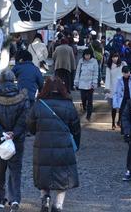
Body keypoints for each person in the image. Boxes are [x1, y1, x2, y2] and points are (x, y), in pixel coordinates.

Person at [27, 77, 81, 212]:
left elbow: (30, 126)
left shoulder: (39, 104)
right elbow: (76, 128)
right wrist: (76, 145)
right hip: (63, 146)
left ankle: (45, 198)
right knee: (63, 179)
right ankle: (58, 205)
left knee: (44, 174)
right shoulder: (69, 105)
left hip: (42, 146)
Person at [0, 70, 29, 210]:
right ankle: (15, 199)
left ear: (0, 80)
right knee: (16, 169)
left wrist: (2, 133)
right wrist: (14, 133)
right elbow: (25, 117)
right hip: (17, 138)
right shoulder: (22, 95)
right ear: (13, 80)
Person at [74, 48, 99, 122]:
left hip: (90, 84)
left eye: (88, 55)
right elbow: (78, 72)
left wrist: (94, 82)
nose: (87, 57)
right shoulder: (81, 61)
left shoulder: (94, 62)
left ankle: (89, 115)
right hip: (82, 83)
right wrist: (76, 82)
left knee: (90, 100)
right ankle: (84, 106)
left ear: (91, 55)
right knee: (83, 98)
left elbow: (96, 73)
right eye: (85, 55)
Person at [104, 52, 126, 129]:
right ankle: (113, 122)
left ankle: (119, 121)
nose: (115, 58)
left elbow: (126, 73)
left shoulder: (122, 64)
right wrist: (107, 89)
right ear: (111, 58)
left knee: (121, 106)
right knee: (113, 107)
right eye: (113, 57)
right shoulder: (109, 66)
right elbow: (107, 78)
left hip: (121, 88)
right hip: (113, 88)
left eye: (116, 57)